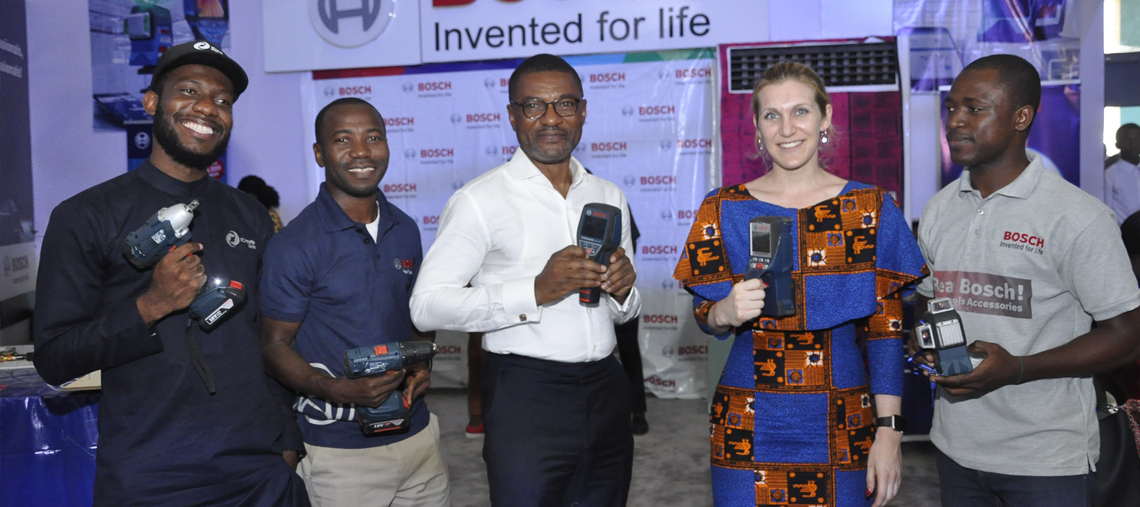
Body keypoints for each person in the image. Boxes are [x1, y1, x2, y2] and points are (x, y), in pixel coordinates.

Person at [32, 41, 308, 506]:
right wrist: (151, 306)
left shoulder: (251, 216)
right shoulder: (85, 215)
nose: (208, 107)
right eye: (188, 90)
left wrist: (285, 440)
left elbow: (269, 338)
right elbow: (55, 358)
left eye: (223, 100)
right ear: (152, 103)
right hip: (152, 477)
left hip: (258, 471)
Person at [672, 61, 926, 507]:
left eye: (801, 112)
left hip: (844, 418)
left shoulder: (870, 208)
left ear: (825, 117)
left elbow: (887, 333)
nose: (787, 128)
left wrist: (889, 433)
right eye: (772, 115)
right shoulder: (723, 208)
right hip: (745, 420)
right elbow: (706, 318)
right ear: (756, 126)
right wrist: (722, 313)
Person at [410, 53, 640, 506]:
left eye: (565, 105)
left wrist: (625, 289)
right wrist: (533, 291)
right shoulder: (479, 199)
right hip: (524, 392)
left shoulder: (608, 193)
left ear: (584, 111)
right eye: (534, 106)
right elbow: (427, 304)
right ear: (512, 115)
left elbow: (625, 309)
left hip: (607, 387)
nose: (551, 118)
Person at [913, 54, 1140, 506]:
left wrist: (1017, 368)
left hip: (1047, 460)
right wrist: (932, 345)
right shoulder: (939, 209)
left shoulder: (1078, 217)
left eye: (974, 108)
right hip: (956, 449)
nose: (955, 121)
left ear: (1021, 117)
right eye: (951, 107)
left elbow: (1128, 337)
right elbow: (928, 300)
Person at [259, 97, 449, 507]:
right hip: (340, 453)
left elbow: (415, 313)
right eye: (343, 139)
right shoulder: (294, 244)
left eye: (373, 137)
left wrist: (420, 362)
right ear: (319, 153)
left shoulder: (406, 229)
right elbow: (274, 346)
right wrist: (337, 389)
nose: (361, 151)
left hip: (418, 438)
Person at [1105, 123, 1140, 226]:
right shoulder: (1110, 174)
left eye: (1136, 139)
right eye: (1127, 140)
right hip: (1125, 235)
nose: (1133, 144)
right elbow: (1108, 210)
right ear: (1117, 145)